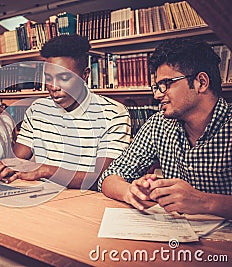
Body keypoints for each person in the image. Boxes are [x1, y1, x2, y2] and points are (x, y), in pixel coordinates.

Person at [99, 38, 231, 218]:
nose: (157, 94)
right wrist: (131, 191)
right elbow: (109, 177)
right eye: (156, 86)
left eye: (165, 85)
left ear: (201, 82)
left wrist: (204, 201)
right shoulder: (159, 123)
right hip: (175, 237)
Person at [0, 35, 131, 190]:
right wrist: (3, 166)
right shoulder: (37, 110)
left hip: (87, 202)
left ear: (85, 75)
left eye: (64, 78)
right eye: (48, 78)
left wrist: (46, 171)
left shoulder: (114, 114)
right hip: (41, 197)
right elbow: (17, 160)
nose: (53, 87)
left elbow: (102, 179)